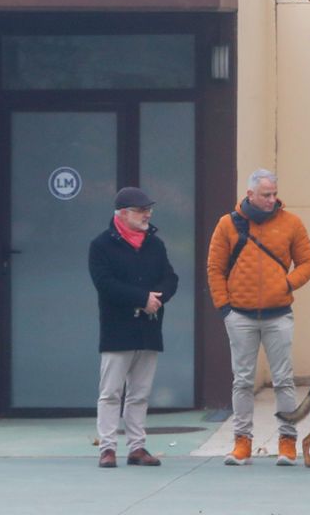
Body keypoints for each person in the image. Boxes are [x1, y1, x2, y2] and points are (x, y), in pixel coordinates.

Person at [206, 168, 310, 466]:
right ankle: (241, 442)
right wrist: (225, 309)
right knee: (242, 381)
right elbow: (215, 269)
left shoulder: (291, 223)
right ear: (250, 194)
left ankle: (287, 441)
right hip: (239, 316)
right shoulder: (227, 225)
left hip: (278, 314)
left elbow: (308, 262)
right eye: (266, 195)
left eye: (274, 194)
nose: (272, 200)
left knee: (283, 380)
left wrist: (287, 284)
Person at [89, 187, 178, 468]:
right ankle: (107, 448)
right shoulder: (101, 245)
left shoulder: (155, 244)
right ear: (123, 213)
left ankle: (137, 447)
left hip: (149, 329)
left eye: (148, 210)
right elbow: (105, 284)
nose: (147, 215)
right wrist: (142, 299)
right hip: (117, 330)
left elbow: (170, 278)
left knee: (140, 393)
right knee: (111, 392)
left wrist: (157, 299)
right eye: (141, 210)